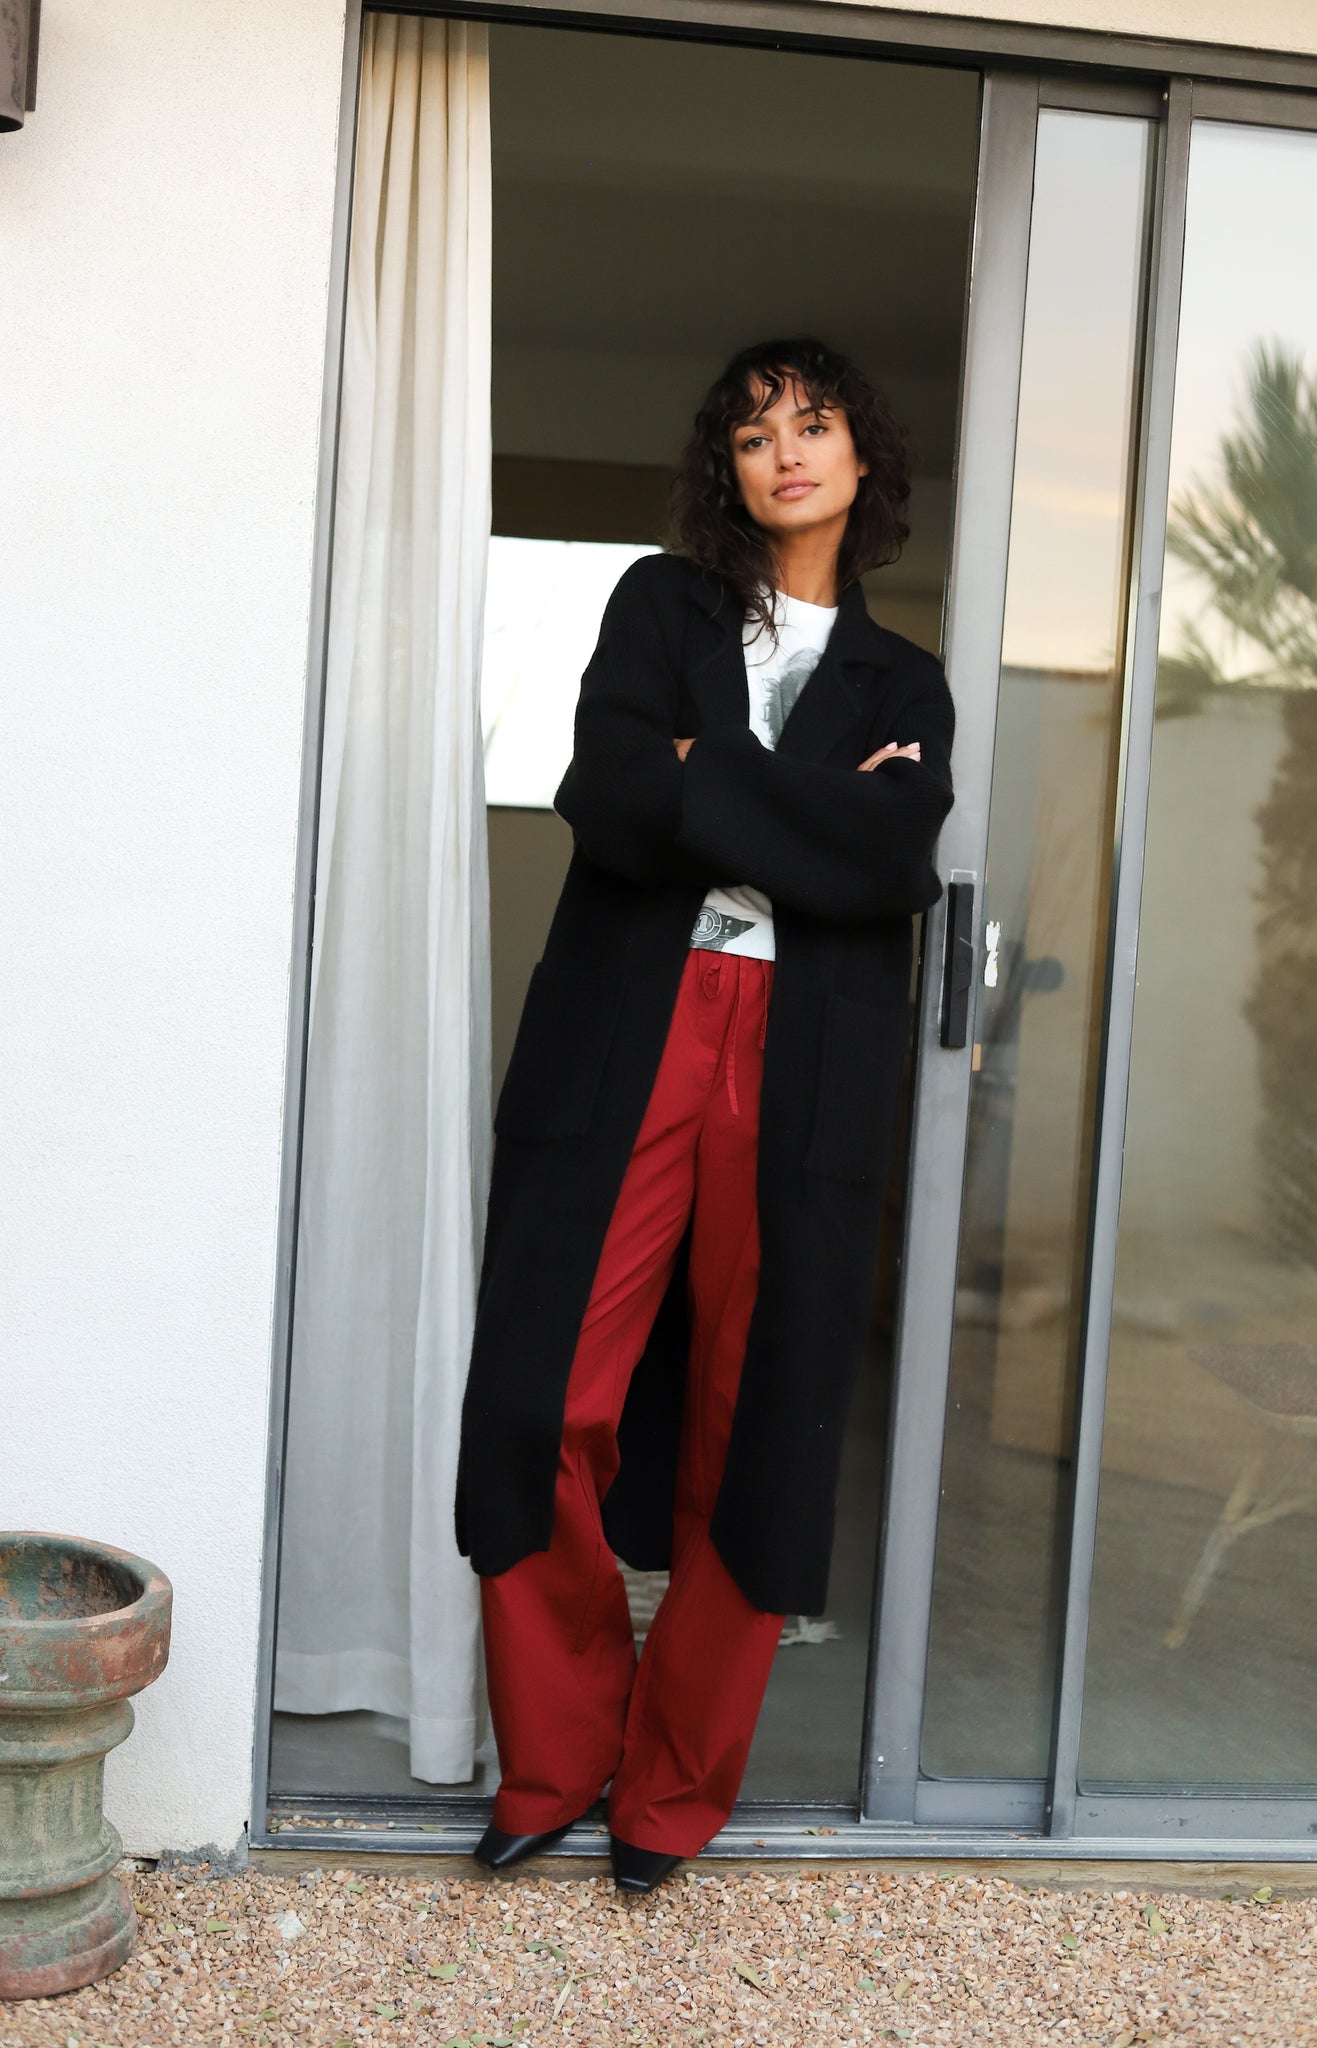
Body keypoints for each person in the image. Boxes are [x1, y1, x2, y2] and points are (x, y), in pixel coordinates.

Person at [454, 336, 955, 1893]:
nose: (785, 451)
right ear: (725, 472)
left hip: (798, 1057)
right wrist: (810, 809)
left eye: (813, 424)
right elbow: (605, 796)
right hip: (626, 1028)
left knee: (761, 1419)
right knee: (542, 1396)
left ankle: (672, 1787)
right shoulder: (659, 609)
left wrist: (705, 776)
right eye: (752, 434)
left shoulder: (903, 681)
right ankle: (555, 1756)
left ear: (861, 459)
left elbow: (888, 867)